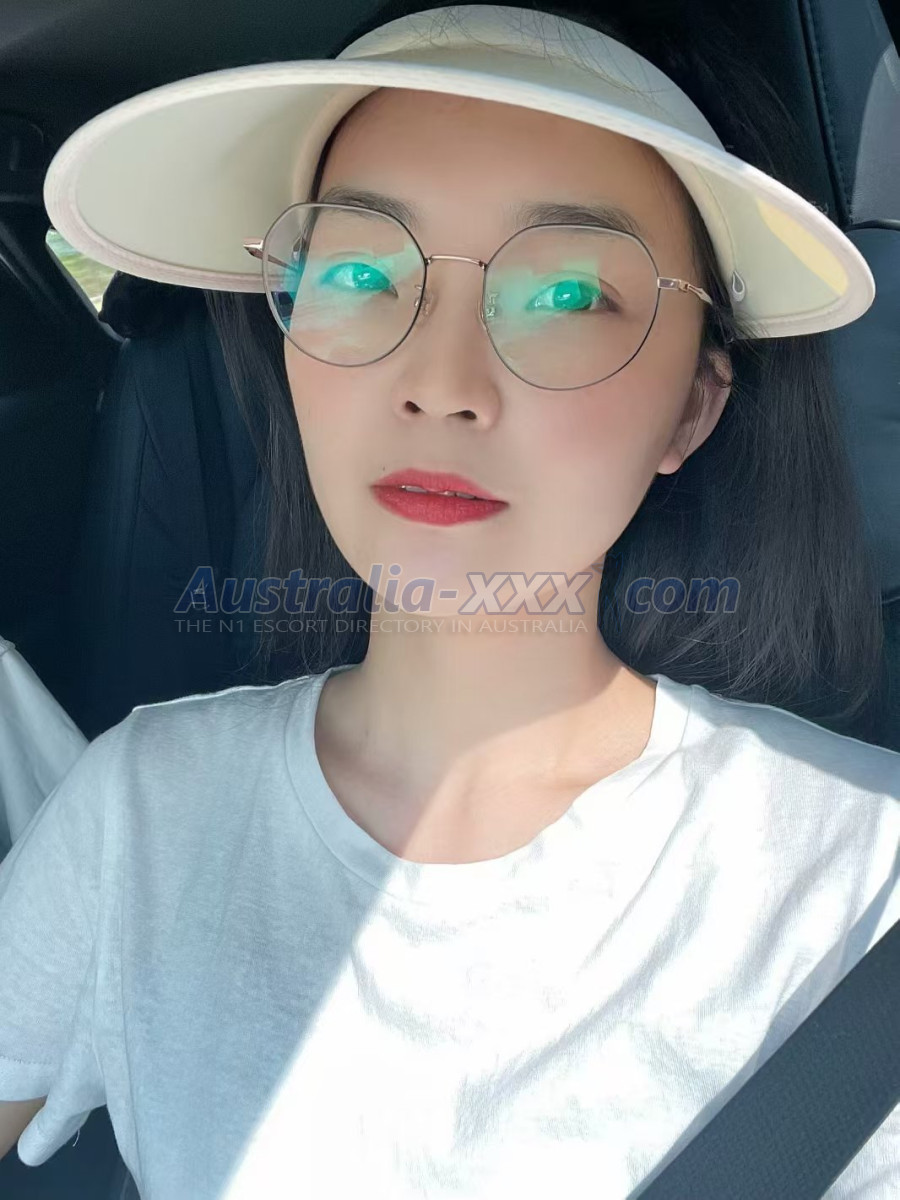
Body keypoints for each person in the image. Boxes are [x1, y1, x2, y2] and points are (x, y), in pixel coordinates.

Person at [1, 3, 898, 1197]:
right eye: (358, 274)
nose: (441, 382)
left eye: (568, 295)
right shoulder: (142, 813)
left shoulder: (862, 875)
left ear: (692, 407)